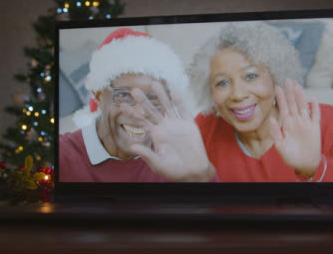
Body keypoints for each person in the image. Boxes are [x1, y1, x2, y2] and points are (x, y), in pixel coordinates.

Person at [187, 22, 333, 182]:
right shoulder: (204, 129)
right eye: (222, 83)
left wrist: (312, 168)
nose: (238, 95)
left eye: (251, 76)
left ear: (276, 78)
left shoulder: (327, 123)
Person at [59, 28, 216, 182]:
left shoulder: (177, 152)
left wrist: (201, 176)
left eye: (154, 98)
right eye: (123, 95)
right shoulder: (62, 155)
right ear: (98, 95)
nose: (140, 112)